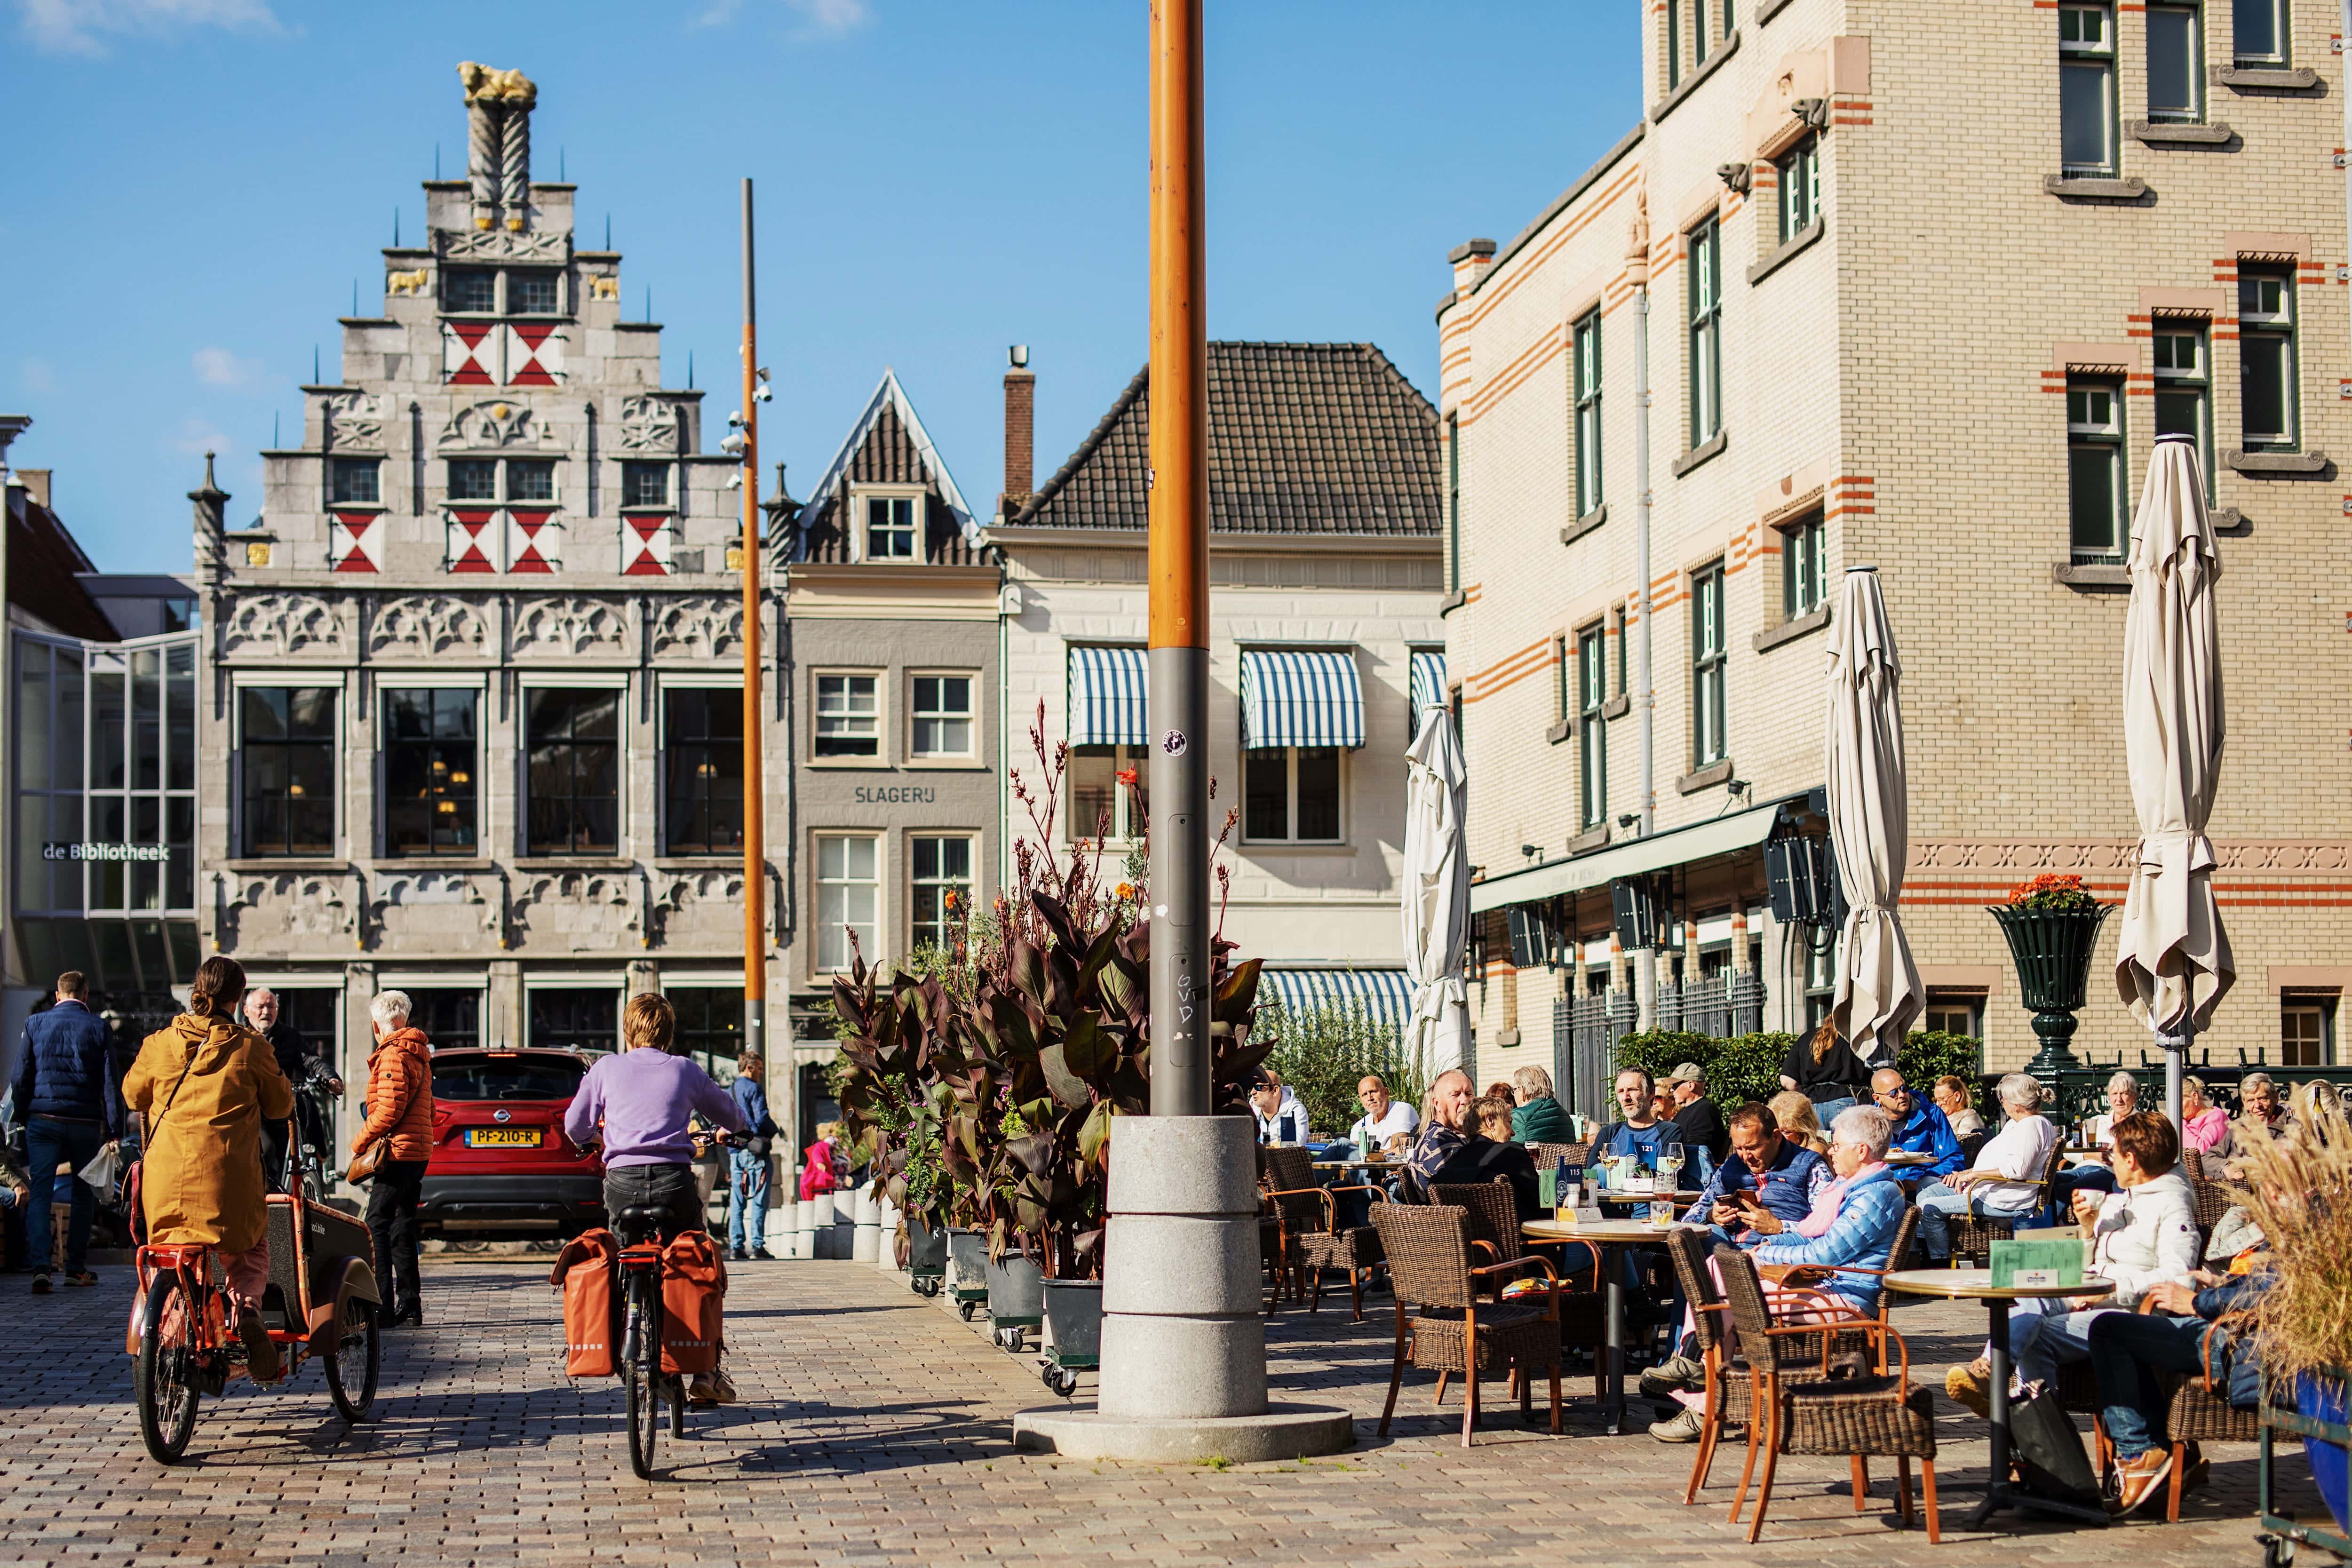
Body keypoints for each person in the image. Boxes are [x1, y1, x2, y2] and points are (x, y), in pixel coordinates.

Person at [1650, 1105, 1907, 1441]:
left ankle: (1700, 1389)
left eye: (1837, 1144)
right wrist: (1761, 1245)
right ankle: (1699, 1384)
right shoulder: (1853, 1187)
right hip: (1824, 1285)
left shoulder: (1874, 1195)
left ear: (1861, 1151)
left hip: (1844, 1298)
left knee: (1726, 1293)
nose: (1830, 1150)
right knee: (1720, 1274)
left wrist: (1763, 1252)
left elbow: (1825, 1252)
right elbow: (1806, 1232)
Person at [1945, 1109, 2199, 1418]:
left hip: (2131, 1314)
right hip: (2091, 1295)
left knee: (2035, 1335)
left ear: (2131, 1159)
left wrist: (2109, 1291)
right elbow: (2097, 1260)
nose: (2110, 1160)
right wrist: (2089, 1228)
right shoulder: (2125, 1197)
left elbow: (2179, 1278)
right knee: (2032, 1285)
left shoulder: (2172, 1203)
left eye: (2112, 1153)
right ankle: (1996, 1374)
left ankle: (2022, 1416)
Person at [564, 993, 747, 1404]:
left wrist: (592, 1138)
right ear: (668, 1032)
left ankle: (613, 1336)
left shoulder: (606, 1068)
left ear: (628, 1029)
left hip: (622, 1184)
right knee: (697, 1259)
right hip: (673, 1183)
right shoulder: (684, 1069)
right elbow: (731, 1115)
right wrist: (735, 1127)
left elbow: (574, 1123)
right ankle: (705, 1371)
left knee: (617, 1257)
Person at [120, 957, 294, 1380]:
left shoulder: (159, 1043)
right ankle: (248, 1311)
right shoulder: (251, 1048)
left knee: (178, 1257)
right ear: (238, 999)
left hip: (164, 1189)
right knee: (251, 1247)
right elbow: (281, 1105)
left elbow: (131, 1095)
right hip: (227, 1186)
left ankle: (174, 1329)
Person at [2088, 1266, 2274, 1513]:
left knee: (2108, 1330)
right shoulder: (2297, 1235)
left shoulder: (2306, 1235)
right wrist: (2221, 1283)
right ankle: (2161, 1456)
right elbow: (2263, 1284)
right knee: (2119, 1332)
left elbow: (2275, 1292)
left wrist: (2197, 1302)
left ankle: (2141, 1457)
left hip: (2248, 1349)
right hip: (2241, 1335)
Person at [11, 971, 124, 1292]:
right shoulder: (99, 1027)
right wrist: (114, 1128)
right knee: (82, 1192)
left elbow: (21, 1076)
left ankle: (41, 1268)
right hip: (85, 1124)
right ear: (85, 995)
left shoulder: (35, 1023)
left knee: (42, 1191)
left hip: (43, 1119)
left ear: (59, 995)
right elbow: (110, 1083)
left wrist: (22, 1113)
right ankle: (75, 1268)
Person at [350, 991, 434, 1328]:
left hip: (396, 1152)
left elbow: (388, 1110)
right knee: (402, 1225)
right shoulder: (421, 1054)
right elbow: (428, 1109)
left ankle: (382, 1307)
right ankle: (410, 1306)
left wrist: (360, 1142)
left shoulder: (392, 1055)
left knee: (376, 1225)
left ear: (376, 1026)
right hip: (417, 1151)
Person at [1915, 1072, 2058, 1262]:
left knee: (1930, 1208)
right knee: (1926, 1187)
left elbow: (2017, 1171)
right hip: (1988, 1189)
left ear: (2015, 1103)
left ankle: (1938, 1264)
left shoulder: (2031, 1126)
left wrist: (1973, 1175)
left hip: (2002, 1200)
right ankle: (1930, 1245)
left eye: (2002, 1098)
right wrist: (1966, 1174)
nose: (2001, 1103)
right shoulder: (2020, 1124)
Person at [1682, 1101, 1834, 1244]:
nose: (1746, 1157)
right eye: (1739, 1148)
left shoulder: (1810, 1167)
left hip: (1778, 1253)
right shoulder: (1731, 1166)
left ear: (1776, 1137)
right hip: (1729, 1247)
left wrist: (1779, 1227)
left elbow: (1830, 1229)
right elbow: (1688, 1219)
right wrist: (1711, 1216)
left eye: (1753, 1147)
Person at [245, 987, 343, 1191]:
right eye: (261, 1007)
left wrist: (330, 1079)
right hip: (253, 1113)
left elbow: (310, 1061)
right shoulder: (241, 1038)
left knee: (294, 1150)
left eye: (271, 1007)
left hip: (281, 1109)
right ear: (246, 1011)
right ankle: (267, 1204)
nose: (266, 1012)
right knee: (267, 1149)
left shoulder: (289, 1036)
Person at [1584, 1067, 1685, 1189]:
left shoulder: (1670, 1131)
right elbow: (1593, 1172)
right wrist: (1642, 1172)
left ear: (1651, 1093)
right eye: (1621, 1091)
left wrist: (1612, 1170)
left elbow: (1664, 1176)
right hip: (1611, 1206)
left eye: (1632, 1090)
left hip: (1649, 1206)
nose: (1626, 1097)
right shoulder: (1609, 1133)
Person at [1869, 1068, 1965, 1189]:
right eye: (1894, 1093)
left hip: (1925, 1186)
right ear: (1877, 1098)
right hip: (1884, 1187)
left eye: (1904, 1088)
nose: (1902, 1095)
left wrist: (1922, 1180)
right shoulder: (1869, 1123)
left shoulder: (1931, 1115)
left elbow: (1954, 1159)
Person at [727, 1051, 779, 1262]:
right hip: (755, 1149)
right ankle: (757, 1246)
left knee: (737, 1200)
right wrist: (774, 1131)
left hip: (734, 1150)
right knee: (759, 1198)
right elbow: (762, 1118)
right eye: (759, 1069)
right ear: (749, 1068)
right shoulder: (754, 1088)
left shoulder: (729, 1090)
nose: (761, 1073)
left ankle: (736, 1247)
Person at [1778, 1018, 1873, 1127]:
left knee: (1817, 1144)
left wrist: (1805, 1097)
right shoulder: (1854, 1038)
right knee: (1847, 1143)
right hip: (1847, 1101)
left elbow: (1787, 1081)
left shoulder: (1806, 1038)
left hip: (1813, 1105)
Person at [1665, 1063, 1728, 1185]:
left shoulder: (1705, 1111)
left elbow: (1696, 1151)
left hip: (1693, 1182)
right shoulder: (1686, 1111)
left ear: (1691, 1085)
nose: (1672, 1090)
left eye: (1675, 1085)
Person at [1346, 1074, 1418, 1156]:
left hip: (1392, 1167)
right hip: (1364, 1168)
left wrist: (1365, 1148)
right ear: (1361, 1101)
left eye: (1373, 1092)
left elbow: (1397, 1152)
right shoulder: (1358, 1127)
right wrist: (1382, 1152)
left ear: (1386, 1093)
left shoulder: (1401, 1109)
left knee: (1341, 1144)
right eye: (1365, 1095)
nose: (1370, 1098)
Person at [1508, 1065, 1573, 1143]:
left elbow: (1511, 1151)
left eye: (1514, 1090)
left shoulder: (1519, 1116)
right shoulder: (1565, 1116)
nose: (1514, 1094)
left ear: (1523, 1090)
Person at [2079, 1070, 2140, 1149]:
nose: (2119, 1099)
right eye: (2115, 1094)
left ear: (2134, 1097)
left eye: (2124, 1093)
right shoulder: (2098, 1122)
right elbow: (2069, 1148)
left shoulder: (2142, 1125)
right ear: (2109, 1098)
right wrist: (2089, 1156)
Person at [1248, 1069, 1311, 1145]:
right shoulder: (1250, 1110)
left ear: (1275, 1091)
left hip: (1288, 1156)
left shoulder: (1295, 1110)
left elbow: (1297, 1145)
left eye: (1259, 1087)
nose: (1253, 1092)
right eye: (1252, 1087)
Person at [1932, 1075, 1988, 1157]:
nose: (1938, 1104)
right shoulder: (1938, 1118)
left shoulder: (1969, 1116)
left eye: (1943, 1099)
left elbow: (1965, 1145)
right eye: (1937, 1100)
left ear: (1957, 1096)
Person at [2233, 1071, 2292, 1147]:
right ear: (2245, 1104)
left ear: (2275, 1098)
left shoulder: (2293, 1128)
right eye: (2251, 1101)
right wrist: (2232, 1160)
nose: (2257, 1106)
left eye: (2263, 1099)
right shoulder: (2236, 1127)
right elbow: (2213, 1156)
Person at [2179, 1075, 2232, 1159]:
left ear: (2195, 1097)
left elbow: (2202, 1151)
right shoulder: (2187, 1120)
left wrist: (2179, 1124)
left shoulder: (2215, 1117)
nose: (2176, 1107)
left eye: (2180, 1101)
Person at [1766, 1090, 1830, 1154]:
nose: (1778, 1136)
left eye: (1786, 1132)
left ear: (1803, 1133)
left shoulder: (1814, 1151)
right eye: (1774, 1131)